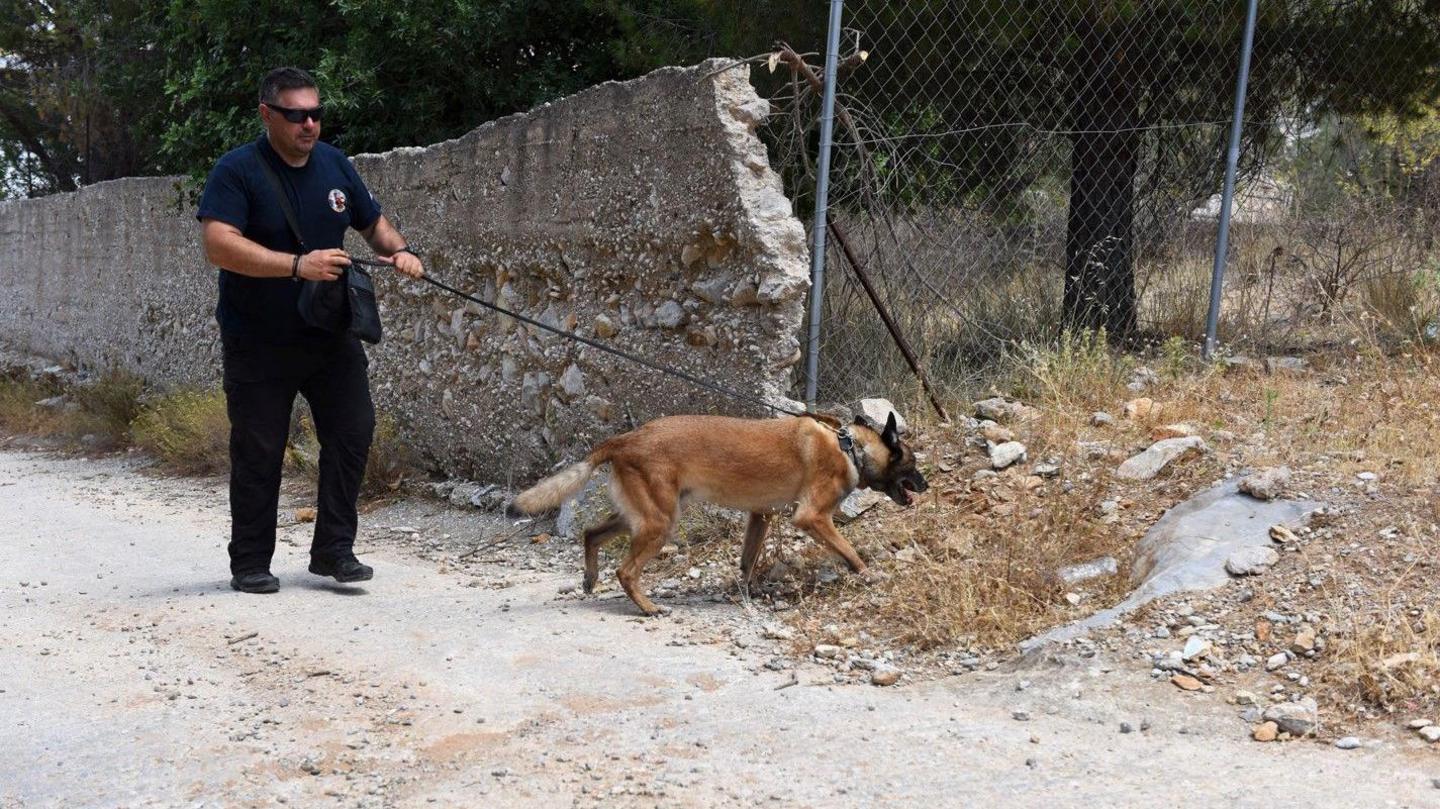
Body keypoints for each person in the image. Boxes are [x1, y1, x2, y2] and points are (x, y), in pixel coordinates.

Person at [196, 66, 424, 594]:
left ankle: (334, 552)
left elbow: (373, 223)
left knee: (353, 431)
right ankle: (250, 561)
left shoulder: (335, 165)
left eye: (316, 113)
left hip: (328, 331)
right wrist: (297, 265)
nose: (309, 125)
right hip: (258, 338)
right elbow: (218, 244)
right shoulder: (237, 171)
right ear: (267, 115)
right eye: (296, 115)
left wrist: (402, 250)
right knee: (259, 448)